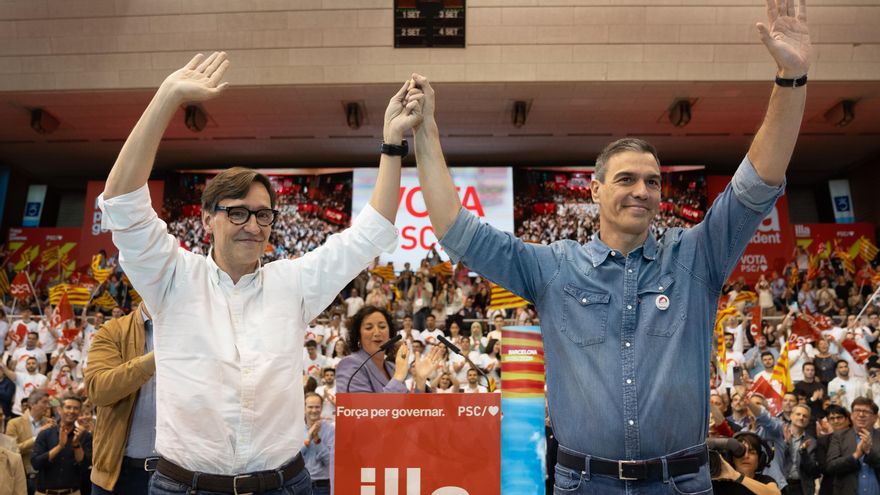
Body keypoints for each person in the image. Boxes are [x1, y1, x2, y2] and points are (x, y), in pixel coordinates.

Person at [412, 0, 811, 489]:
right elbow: (457, 230)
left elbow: (757, 182)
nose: (642, 190)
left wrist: (790, 80)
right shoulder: (552, 268)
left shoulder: (695, 257)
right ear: (596, 190)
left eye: (653, 181)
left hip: (679, 483)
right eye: (626, 179)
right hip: (584, 482)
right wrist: (426, 131)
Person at [98, 52, 423, 494]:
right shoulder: (171, 277)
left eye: (264, 215)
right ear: (206, 218)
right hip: (186, 486)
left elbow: (372, 231)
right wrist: (167, 97)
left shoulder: (292, 284)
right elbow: (121, 203)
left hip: (283, 484)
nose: (253, 226)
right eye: (238, 213)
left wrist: (390, 143)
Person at [84, 304, 155, 495]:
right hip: (118, 475)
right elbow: (98, 389)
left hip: (179, 475)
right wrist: (155, 359)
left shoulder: (197, 331)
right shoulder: (113, 330)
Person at [335, 306, 443, 393]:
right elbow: (364, 413)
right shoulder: (350, 364)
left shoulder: (392, 367)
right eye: (369, 328)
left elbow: (409, 411)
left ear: (390, 334)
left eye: (382, 327)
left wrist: (420, 380)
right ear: (358, 335)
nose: (377, 333)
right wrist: (398, 377)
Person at [31, 394, 93, 495]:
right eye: (68, 407)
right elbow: (36, 463)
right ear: (60, 410)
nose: (72, 411)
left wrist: (76, 445)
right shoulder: (45, 433)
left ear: (79, 412)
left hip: (72, 492)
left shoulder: (85, 436)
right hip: (44, 492)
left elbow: (85, 466)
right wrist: (59, 446)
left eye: (76, 408)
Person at [824, 397, 880, 495]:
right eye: (857, 410)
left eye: (866, 411)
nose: (861, 414)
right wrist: (856, 455)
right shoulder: (839, 437)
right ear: (851, 416)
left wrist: (869, 453)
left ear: (875, 417)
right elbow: (831, 467)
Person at [5, 390, 53, 494]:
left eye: (48, 403)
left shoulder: (51, 423)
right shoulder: (14, 423)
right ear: (32, 404)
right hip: (23, 475)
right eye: (44, 402)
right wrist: (36, 437)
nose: (48, 406)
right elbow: (11, 451)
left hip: (45, 476)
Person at [712, 431, 781, 495]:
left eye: (752, 452)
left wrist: (736, 476)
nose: (746, 456)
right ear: (731, 458)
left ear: (760, 459)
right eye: (740, 452)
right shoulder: (719, 484)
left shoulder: (766, 480)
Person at [302, 392, 334, 495]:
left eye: (317, 407)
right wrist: (308, 437)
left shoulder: (330, 430)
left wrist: (316, 439)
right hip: (300, 485)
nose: (314, 410)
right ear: (304, 408)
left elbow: (329, 460)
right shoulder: (296, 429)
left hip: (322, 486)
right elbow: (294, 458)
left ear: (322, 407)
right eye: (310, 407)